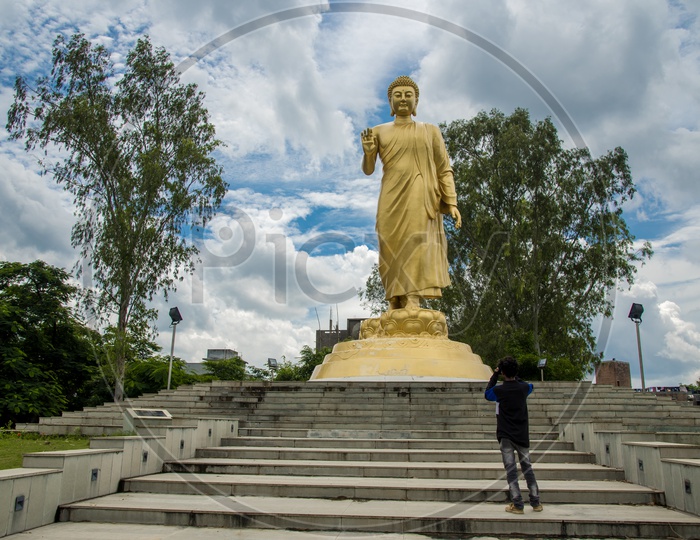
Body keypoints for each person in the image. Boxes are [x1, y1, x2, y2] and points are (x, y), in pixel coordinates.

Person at [361, 75, 461, 311]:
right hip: (390, 196)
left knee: (416, 240)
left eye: (408, 95)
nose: (403, 99)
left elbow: (443, 168)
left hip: (419, 190)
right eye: (398, 95)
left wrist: (452, 201)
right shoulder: (378, 132)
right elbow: (368, 170)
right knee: (389, 244)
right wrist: (367, 153)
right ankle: (395, 299)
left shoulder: (430, 131)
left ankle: (413, 298)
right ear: (390, 102)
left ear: (416, 102)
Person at [484, 356, 543, 514]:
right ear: (515, 371)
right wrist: (515, 376)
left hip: (506, 435)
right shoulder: (523, 389)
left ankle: (517, 504)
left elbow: (487, 393)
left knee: (511, 470)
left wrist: (495, 375)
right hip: (522, 434)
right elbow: (529, 386)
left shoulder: (499, 391)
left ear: (502, 372)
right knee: (527, 467)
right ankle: (535, 502)